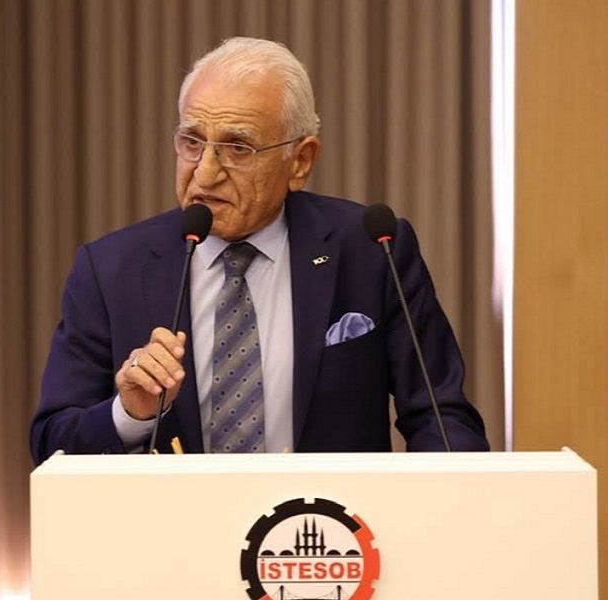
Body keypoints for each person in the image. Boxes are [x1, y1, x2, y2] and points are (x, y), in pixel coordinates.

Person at [30, 37, 488, 464]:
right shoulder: (111, 270)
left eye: (237, 148)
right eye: (192, 142)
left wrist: (445, 510)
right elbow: (53, 444)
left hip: (329, 524)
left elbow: (441, 416)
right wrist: (130, 413)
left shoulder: (372, 250)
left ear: (300, 161)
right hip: (173, 524)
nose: (205, 174)